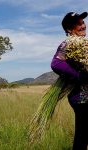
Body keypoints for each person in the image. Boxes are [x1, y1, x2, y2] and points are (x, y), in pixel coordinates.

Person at [51, 12, 88, 150]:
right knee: (82, 134)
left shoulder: (84, 44)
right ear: (69, 29)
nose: (83, 25)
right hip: (81, 97)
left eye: (83, 22)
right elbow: (56, 64)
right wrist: (79, 75)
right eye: (78, 24)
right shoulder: (68, 43)